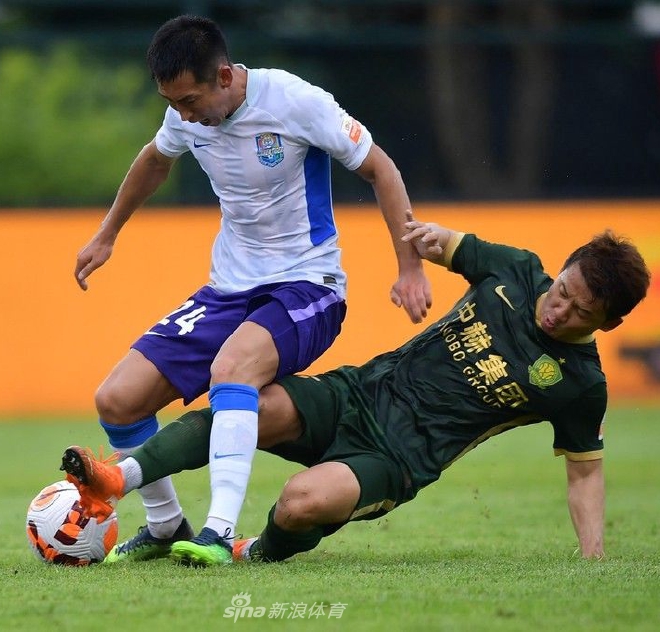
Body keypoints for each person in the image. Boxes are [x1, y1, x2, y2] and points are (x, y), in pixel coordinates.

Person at [67, 212, 651, 565]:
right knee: (248, 406)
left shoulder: (581, 384)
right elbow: (435, 239)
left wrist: (593, 557)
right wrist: (416, 256)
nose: (559, 309)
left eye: (581, 311)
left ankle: (258, 549)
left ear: (608, 323)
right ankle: (119, 478)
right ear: (562, 269)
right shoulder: (517, 270)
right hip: (358, 393)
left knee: (299, 503)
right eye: (563, 289)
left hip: (397, 458)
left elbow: (585, 472)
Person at [60, 15, 432, 567]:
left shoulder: (295, 101)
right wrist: (107, 233)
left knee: (232, 369)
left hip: (308, 286)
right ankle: (165, 526)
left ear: (225, 76)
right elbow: (155, 160)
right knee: (116, 399)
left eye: (189, 101)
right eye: (172, 103)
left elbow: (381, 169)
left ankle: (217, 531)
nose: (183, 115)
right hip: (228, 290)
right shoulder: (185, 114)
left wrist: (410, 267)